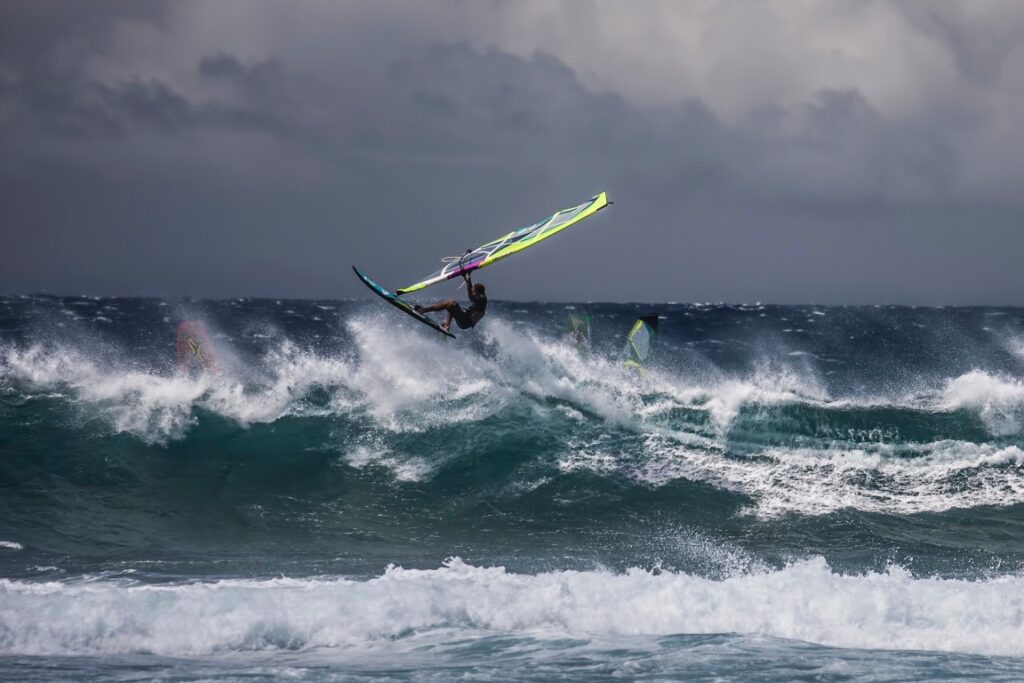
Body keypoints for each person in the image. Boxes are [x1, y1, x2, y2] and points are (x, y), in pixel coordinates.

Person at [415, 272, 487, 332]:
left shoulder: (481, 299)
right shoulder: (481, 297)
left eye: (474, 291)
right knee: (452, 306)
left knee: (451, 303)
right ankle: (447, 325)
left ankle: (423, 310)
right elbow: (471, 290)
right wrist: (467, 276)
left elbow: (470, 295)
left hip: (465, 321)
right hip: (465, 319)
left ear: (477, 292)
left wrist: (468, 278)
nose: (472, 292)